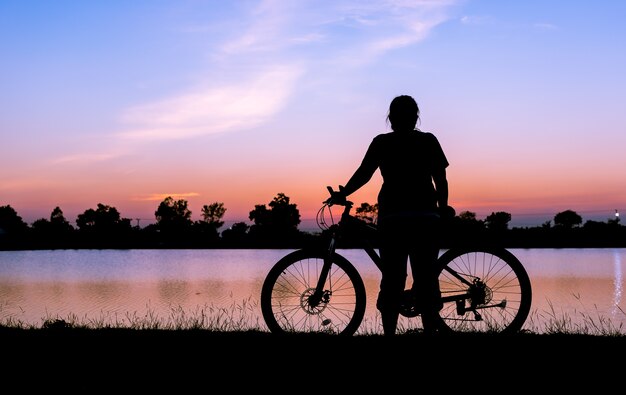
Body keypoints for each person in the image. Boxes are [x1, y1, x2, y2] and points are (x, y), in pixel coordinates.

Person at [329, 95, 453, 335]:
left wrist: (343, 192)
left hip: (393, 218)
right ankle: (430, 332)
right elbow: (441, 179)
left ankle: (389, 336)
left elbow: (364, 173)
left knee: (393, 278)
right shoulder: (428, 141)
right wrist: (443, 208)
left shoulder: (382, 142)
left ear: (390, 118)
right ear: (416, 117)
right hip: (425, 217)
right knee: (425, 277)